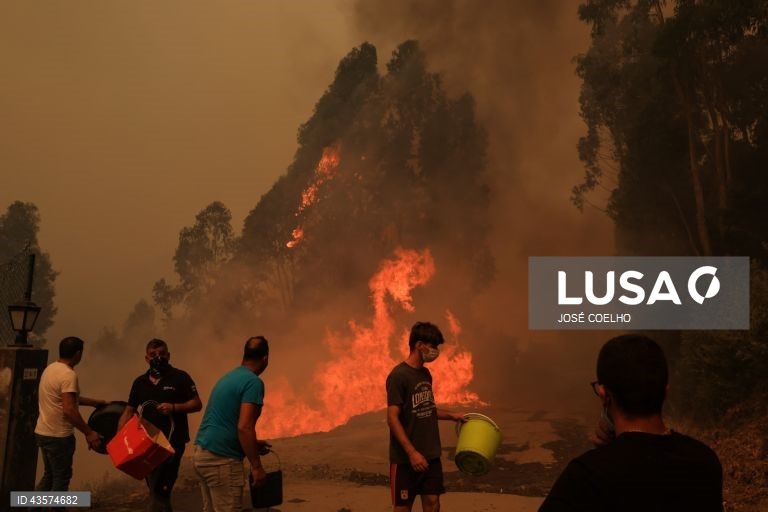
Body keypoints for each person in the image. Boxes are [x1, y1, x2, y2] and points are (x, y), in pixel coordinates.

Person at [539, 334, 724, 512]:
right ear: (665, 392)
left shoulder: (586, 476)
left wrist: (607, 455)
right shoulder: (705, 462)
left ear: (604, 395)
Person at [386, 321, 465, 512]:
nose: (435, 351)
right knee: (403, 507)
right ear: (419, 345)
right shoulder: (398, 376)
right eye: (433, 346)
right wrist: (412, 453)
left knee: (433, 503)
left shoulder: (425, 374)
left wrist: (453, 416)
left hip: (430, 455)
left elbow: (427, 408)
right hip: (405, 459)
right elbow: (392, 418)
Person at [117, 338, 202, 512]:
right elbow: (128, 411)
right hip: (146, 445)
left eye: (162, 354)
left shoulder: (180, 377)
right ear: (146, 359)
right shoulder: (139, 382)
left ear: (169, 356)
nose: (158, 357)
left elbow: (196, 403)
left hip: (172, 443)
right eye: (153, 355)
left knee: (160, 490)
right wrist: (118, 443)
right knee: (156, 491)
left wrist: (174, 407)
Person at [193, 336, 272, 512]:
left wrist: (253, 445)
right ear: (265, 359)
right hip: (221, 461)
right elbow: (244, 427)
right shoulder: (253, 382)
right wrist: (257, 467)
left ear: (245, 355)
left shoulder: (229, 377)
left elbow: (226, 422)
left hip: (202, 454)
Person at [34, 336, 107, 509]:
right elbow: (69, 409)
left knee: (50, 476)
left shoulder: (51, 369)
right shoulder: (68, 375)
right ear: (78, 353)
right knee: (61, 478)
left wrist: (94, 402)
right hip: (58, 437)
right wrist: (89, 432)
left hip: (43, 433)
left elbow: (67, 399)